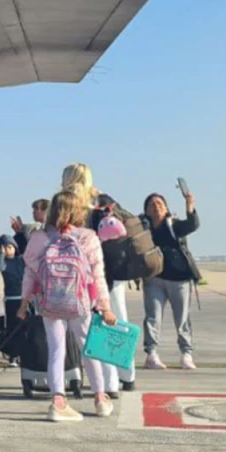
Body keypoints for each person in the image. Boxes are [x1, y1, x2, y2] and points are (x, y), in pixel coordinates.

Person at [18, 189, 115, 422]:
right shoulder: (88, 237)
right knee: (88, 349)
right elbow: (98, 275)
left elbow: (30, 275)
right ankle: (100, 398)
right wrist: (105, 306)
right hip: (80, 304)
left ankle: (58, 401)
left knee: (56, 350)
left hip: (49, 303)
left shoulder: (39, 238)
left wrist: (24, 303)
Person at [62, 163, 137, 395]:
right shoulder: (104, 200)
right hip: (113, 271)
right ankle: (127, 374)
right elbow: (130, 221)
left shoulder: (67, 202)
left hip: (85, 274)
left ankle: (109, 382)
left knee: (95, 326)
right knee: (118, 321)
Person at [142, 189, 201, 370]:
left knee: (182, 318)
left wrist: (189, 205)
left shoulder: (174, 225)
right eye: (152, 205)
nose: (156, 207)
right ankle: (151, 354)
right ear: (146, 211)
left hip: (180, 279)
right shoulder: (143, 228)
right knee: (153, 318)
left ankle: (186, 354)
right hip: (154, 280)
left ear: (166, 208)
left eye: (160, 204)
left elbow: (193, 225)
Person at [0, 234, 24, 341]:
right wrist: (1, 254)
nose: (8, 250)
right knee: (11, 325)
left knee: (25, 325)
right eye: (5, 248)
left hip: (24, 298)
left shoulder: (20, 260)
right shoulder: (3, 262)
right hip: (10, 298)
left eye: (10, 247)